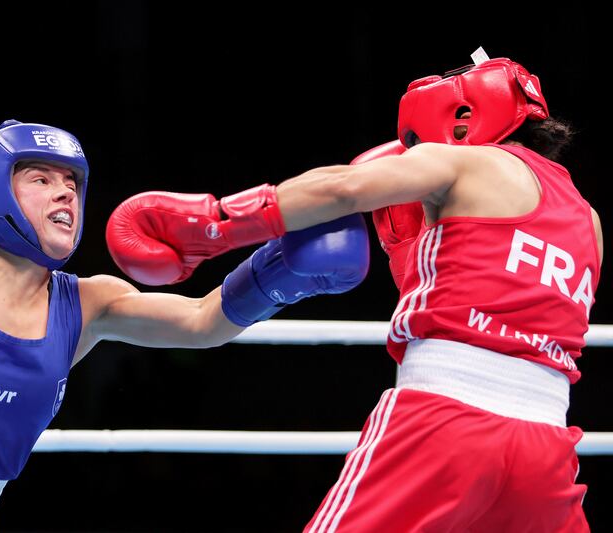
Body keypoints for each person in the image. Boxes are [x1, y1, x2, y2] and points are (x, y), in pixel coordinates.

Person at [105, 54, 602, 531]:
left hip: (444, 420)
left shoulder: (467, 163)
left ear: (462, 118)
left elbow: (343, 188)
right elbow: (505, 300)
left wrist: (214, 224)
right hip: (546, 449)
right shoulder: (590, 221)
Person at [0, 119, 370, 532]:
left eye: (72, 182)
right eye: (41, 178)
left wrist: (279, 272)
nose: (65, 192)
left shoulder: (86, 303)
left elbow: (202, 322)